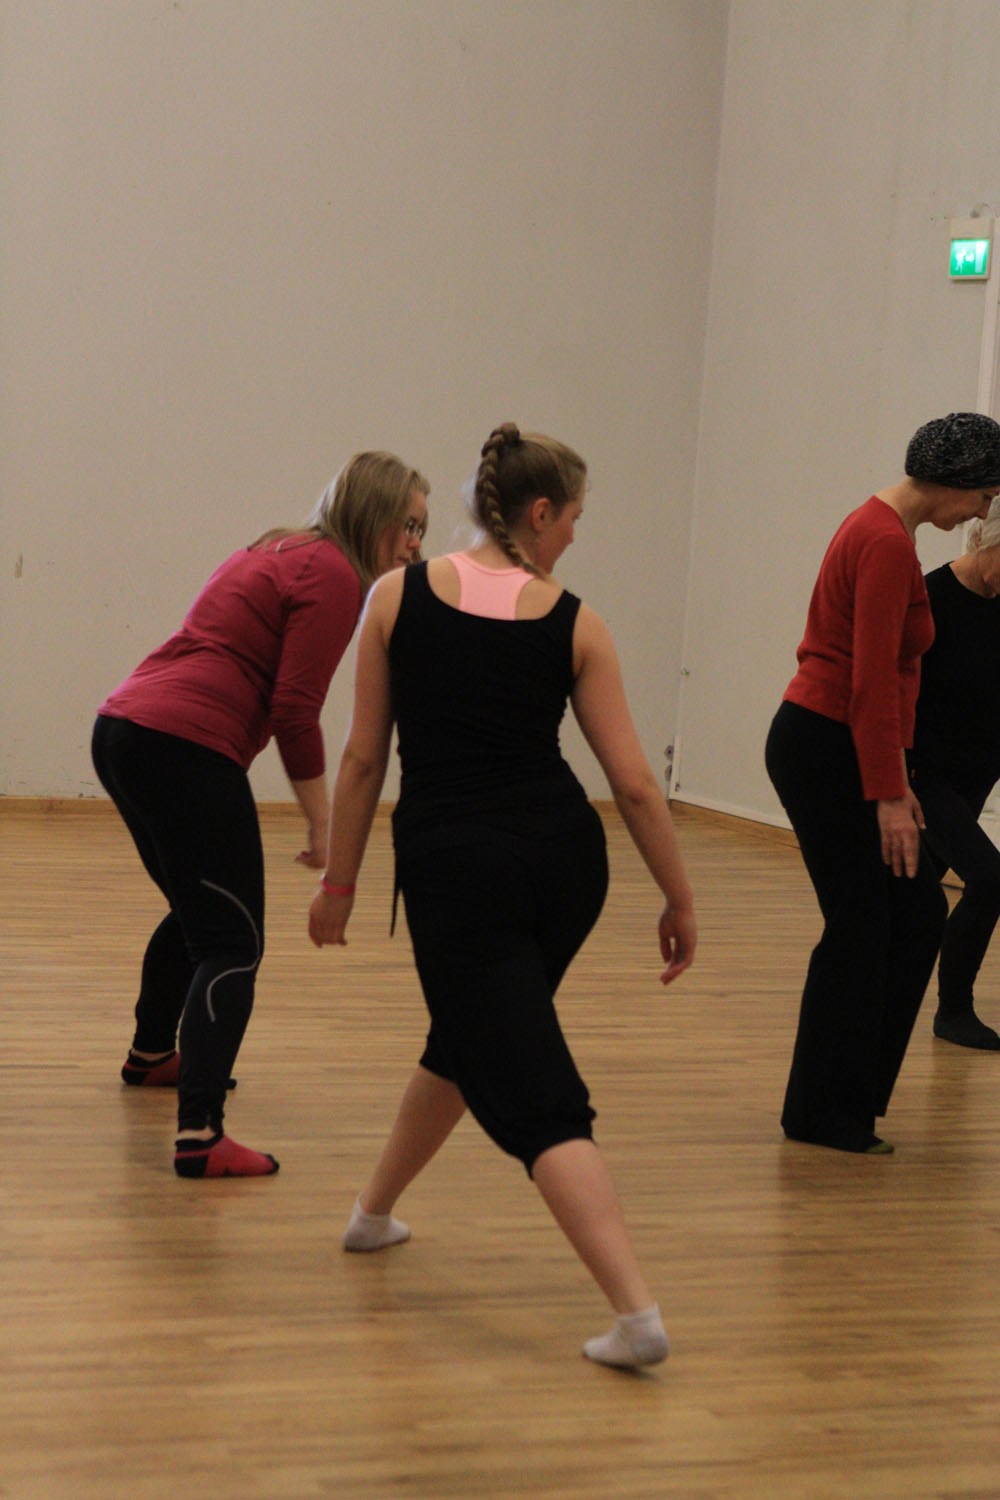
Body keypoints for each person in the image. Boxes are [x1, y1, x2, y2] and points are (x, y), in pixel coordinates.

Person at [308, 422, 696, 1369]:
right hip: (565, 866)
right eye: (574, 517)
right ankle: (372, 1213)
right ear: (539, 512)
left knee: (528, 1086)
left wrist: (340, 882)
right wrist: (679, 898)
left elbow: (361, 760)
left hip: (458, 870)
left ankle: (636, 1314)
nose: (576, 536)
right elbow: (634, 784)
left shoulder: (395, 597)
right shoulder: (577, 622)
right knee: (472, 1033)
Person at [92, 451, 430, 1178]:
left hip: (125, 729)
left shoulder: (280, 546)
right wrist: (321, 821)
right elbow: (294, 711)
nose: (414, 545)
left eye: (422, 530)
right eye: (407, 526)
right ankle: (200, 1134)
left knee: (199, 913)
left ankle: (152, 1054)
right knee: (233, 942)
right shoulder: (336, 574)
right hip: (185, 745)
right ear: (371, 514)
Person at [765, 412, 1000, 1154]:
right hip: (826, 743)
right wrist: (893, 793)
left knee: (915, 914)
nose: (983, 511)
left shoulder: (883, 530)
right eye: (985, 495)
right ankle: (822, 1112)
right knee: (862, 924)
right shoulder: (886, 542)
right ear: (956, 481)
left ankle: (852, 1098)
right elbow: (870, 681)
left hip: (837, 740)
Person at [907, 496, 1000, 1050]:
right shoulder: (930, 599)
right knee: (990, 879)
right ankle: (954, 1010)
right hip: (925, 772)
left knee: (910, 895)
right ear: (984, 538)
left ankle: (877, 992)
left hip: (976, 773)